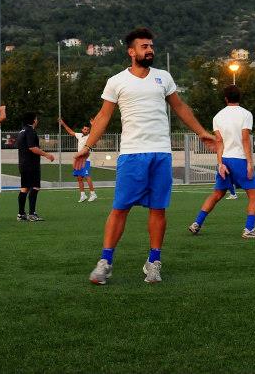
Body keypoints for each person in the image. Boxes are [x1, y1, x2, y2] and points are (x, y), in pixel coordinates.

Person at [76, 27, 217, 285]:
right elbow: (103, 116)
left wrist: (202, 132)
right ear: (131, 52)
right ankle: (105, 262)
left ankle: (153, 262)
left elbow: (180, 107)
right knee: (120, 209)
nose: (150, 50)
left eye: (151, 46)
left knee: (158, 209)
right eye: (144, 46)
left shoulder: (163, 77)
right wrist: (88, 146)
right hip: (131, 155)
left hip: (161, 154)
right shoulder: (116, 81)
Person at [188, 85, 255, 239]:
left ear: (225, 98)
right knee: (254, 195)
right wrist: (249, 163)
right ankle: (249, 229)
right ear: (240, 97)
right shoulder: (246, 114)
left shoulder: (218, 116)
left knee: (216, 194)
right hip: (240, 159)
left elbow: (219, 142)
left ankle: (196, 223)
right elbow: (244, 139)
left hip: (225, 160)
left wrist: (220, 164)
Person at [16, 112, 54, 221]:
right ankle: (32, 214)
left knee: (24, 188)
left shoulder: (22, 131)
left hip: (23, 164)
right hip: (31, 165)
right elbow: (32, 148)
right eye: (36, 119)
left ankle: (21, 214)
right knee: (35, 186)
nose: (37, 121)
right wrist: (47, 154)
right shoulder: (30, 131)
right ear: (33, 120)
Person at [60, 117, 98, 203]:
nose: (85, 130)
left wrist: (93, 124)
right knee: (79, 178)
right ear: (82, 129)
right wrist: (63, 123)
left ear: (88, 131)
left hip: (86, 159)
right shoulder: (79, 135)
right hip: (78, 160)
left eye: (87, 129)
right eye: (84, 129)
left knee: (87, 176)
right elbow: (70, 131)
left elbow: (95, 132)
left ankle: (93, 193)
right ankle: (82, 195)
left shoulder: (90, 137)